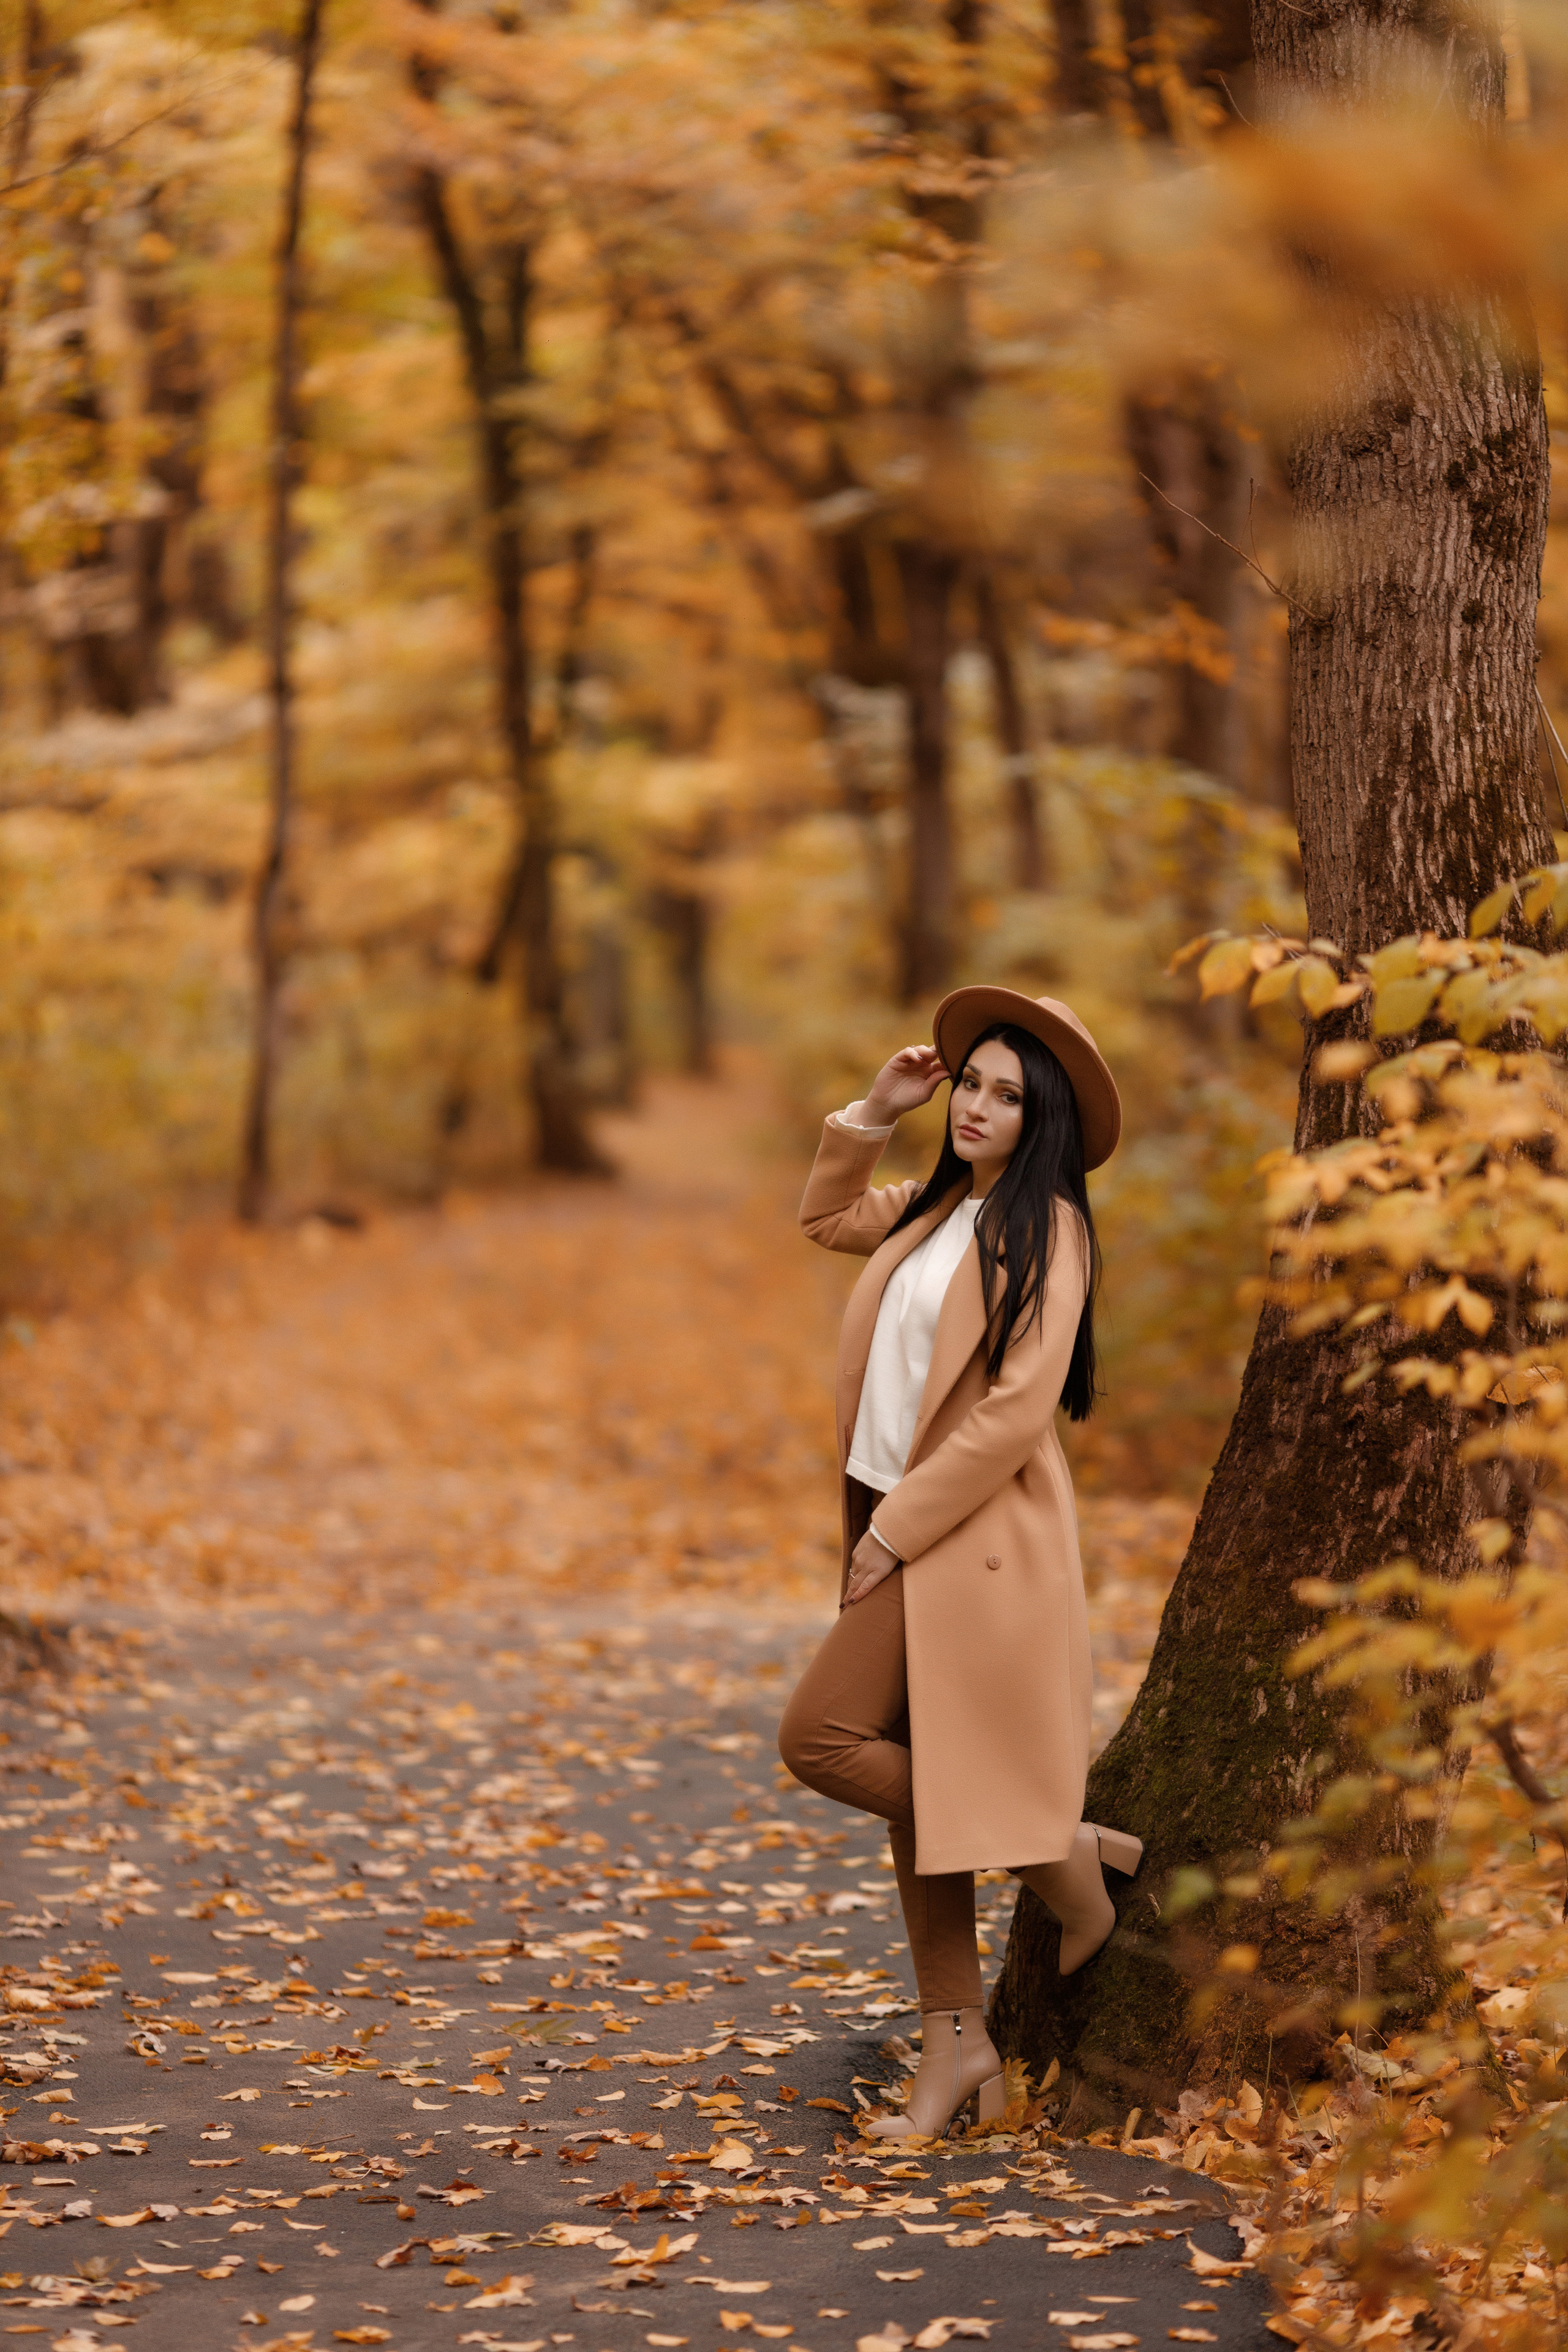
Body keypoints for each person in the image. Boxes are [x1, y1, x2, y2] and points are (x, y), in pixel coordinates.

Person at [777, 986, 1143, 2139]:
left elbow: (1016, 1410)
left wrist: (893, 1536)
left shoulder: (1048, 1231)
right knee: (904, 1770)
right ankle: (959, 2045)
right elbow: (824, 1220)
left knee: (822, 1740)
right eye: (971, 1083)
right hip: (891, 1518)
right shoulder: (935, 1207)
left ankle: (1051, 1848)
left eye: (1007, 1096)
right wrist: (875, 1109)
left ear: (1046, 1125)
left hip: (963, 1539)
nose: (979, 1107)